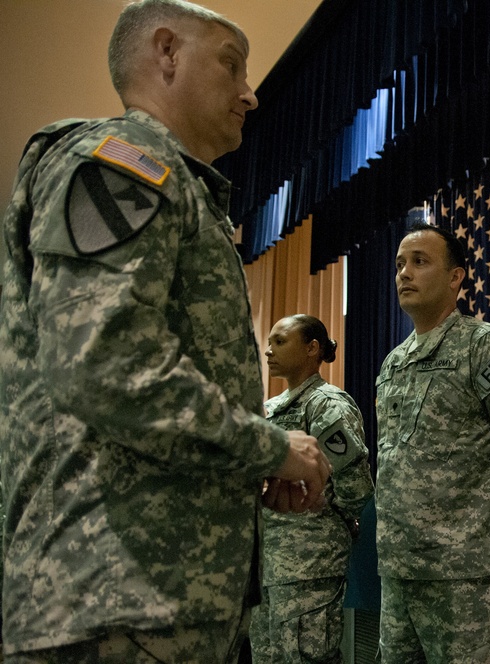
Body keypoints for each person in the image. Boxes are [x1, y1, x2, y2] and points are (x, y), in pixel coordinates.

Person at [0, 1, 331, 661]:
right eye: (231, 65)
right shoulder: (121, 165)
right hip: (112, 605)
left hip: (157, 608)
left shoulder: (178, 187)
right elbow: (107, 363)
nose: (251, 93)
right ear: (167, 53)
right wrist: (267, 447)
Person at [375, 223, 490, 663]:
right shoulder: (393, 364)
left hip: (467, 584)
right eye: (400, 264)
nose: (405, 273)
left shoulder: (486, 348)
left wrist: (488, 528)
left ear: (456, 277)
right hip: (399, 580)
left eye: (420, 262)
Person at [251, 315, 374, 663]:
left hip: (310, 567)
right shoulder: (271, 409)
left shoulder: (327, 404)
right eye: (269, 341)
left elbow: (354, 483)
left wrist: (343, 524)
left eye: (280, 341)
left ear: (312, 348)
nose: (268, 349)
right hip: (268, 565)